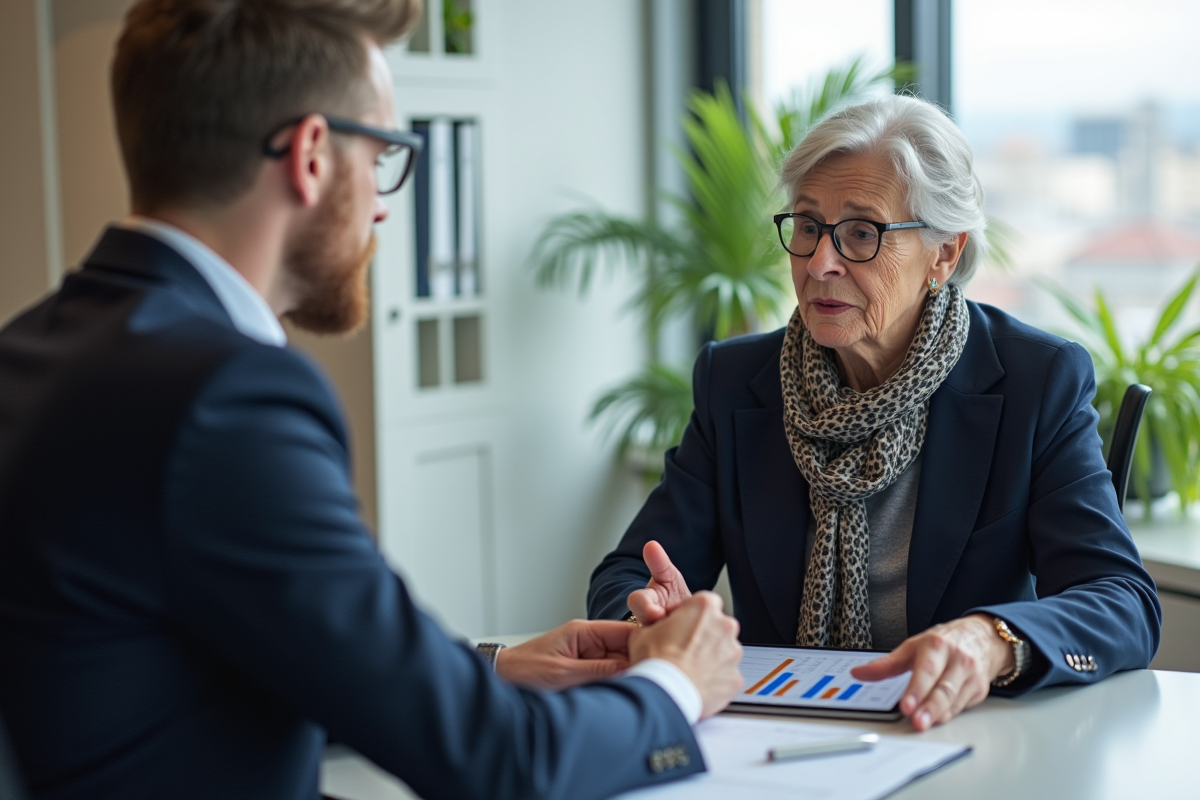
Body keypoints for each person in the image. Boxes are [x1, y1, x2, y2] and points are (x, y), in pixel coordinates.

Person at [0, 2, 744, 799]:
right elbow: (505, 765)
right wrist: (675, 683)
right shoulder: (227, 399)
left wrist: (490, 670)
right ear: (311, 156)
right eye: (385, 154)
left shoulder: (33, 349)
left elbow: (175, 676)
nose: (385, 204)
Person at [589, 94, 1161, 732]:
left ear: (943, 254)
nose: (819, 263)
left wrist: (991, 639)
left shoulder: (1036, 381)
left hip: (962, 735)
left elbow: (1122, 603)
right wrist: (645, 619)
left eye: (862, 233)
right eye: (808, 226)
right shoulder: (735, 382)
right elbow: (629, 572)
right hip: (774, 735)